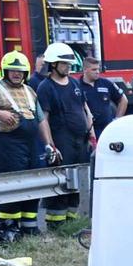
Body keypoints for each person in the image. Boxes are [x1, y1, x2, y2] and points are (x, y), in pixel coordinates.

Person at [0, 50, 56, 235]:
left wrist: (49, 144)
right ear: (5, 71)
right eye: (12, 70)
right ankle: (9, 228)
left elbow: (41, 119)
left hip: (31, 145)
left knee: (33, 184)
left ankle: (30, 227)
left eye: (20, 71)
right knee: (11, 185)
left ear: (26, 73)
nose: (16, 73)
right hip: (7, 146)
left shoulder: (30, 91)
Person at [36, 42, 94, 226]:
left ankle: (71, 226)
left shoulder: (75, 83)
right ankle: (56, 226)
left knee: (77, 185)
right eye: (64, 64)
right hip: (61, 142)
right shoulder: (46, 87)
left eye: (69, 64)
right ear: (53, 64)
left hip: (80, 141)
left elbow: (85, 109)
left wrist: (92, 136)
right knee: (61, 184)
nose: (68, 67)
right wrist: (50, 145)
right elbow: (43, 118)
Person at [76, 60, 126, 140]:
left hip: (106, 130)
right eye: (94, 69)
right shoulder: (77, 86)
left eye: (98, 69)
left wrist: (117, 120)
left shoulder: (106, 83)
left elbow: (123, 99)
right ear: (85, 69)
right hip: (88, 131)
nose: (97, 72)